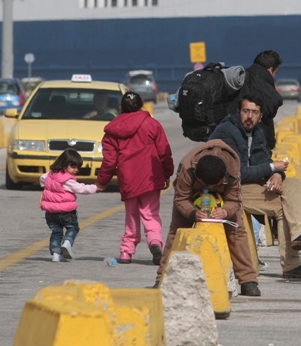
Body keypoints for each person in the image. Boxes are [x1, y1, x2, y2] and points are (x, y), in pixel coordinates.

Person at [210, 95, 301, 280]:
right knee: (285, 206)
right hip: (229, 189)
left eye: (254, 112)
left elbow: (265, 161)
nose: (249, 116)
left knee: (291, 184)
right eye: (246, 111)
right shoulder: (226, 133)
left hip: (250, 187)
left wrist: (276, 175)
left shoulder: (257, 132)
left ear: (260, 115)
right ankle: (293, 262)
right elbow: (237, 173)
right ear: (238, 112)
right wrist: (271, 168)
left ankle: (300, 236)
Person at [156, 140, 260, 296]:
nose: (209, 189)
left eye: (213, 186)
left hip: (223, 199)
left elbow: (234, 201)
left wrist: (224, 212)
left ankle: (248, 280)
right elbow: (181, 199)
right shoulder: (187, 168)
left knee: (237, 231)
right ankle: (162, 278)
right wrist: (192, 213)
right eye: (206, 185)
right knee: (176, 232)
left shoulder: (232, 170)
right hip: (191, 198)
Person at [96, 91, 174, 264]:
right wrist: (167, 173)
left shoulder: (112, 131)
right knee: (150, 213)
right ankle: (155, 242)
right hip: (150, 177)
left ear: (120, 107)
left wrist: (102, 182)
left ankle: (126, 252)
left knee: (131, 215)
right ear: (141, 105)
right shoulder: (152, 124)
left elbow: (109, 161)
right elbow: (164, 151)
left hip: (128, 179)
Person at [40, 149, 98, 262]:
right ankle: (67, 243)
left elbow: (42, 179)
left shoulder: (50, 174)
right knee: (73, 228)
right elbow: (81, 189)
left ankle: (56, 254)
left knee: (56, 232)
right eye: (73, 166)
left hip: (50, 212)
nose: (76, 170)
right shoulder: (67, 180)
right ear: (64, 164)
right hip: (66, 212)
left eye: (78, 167)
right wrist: (96, 188)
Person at [229, 49, 284, 150]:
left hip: (230, 139)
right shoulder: (265, 90)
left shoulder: (242, 79)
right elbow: (268, 116)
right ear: (270, 70)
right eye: (275, 72)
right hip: (254, 147)